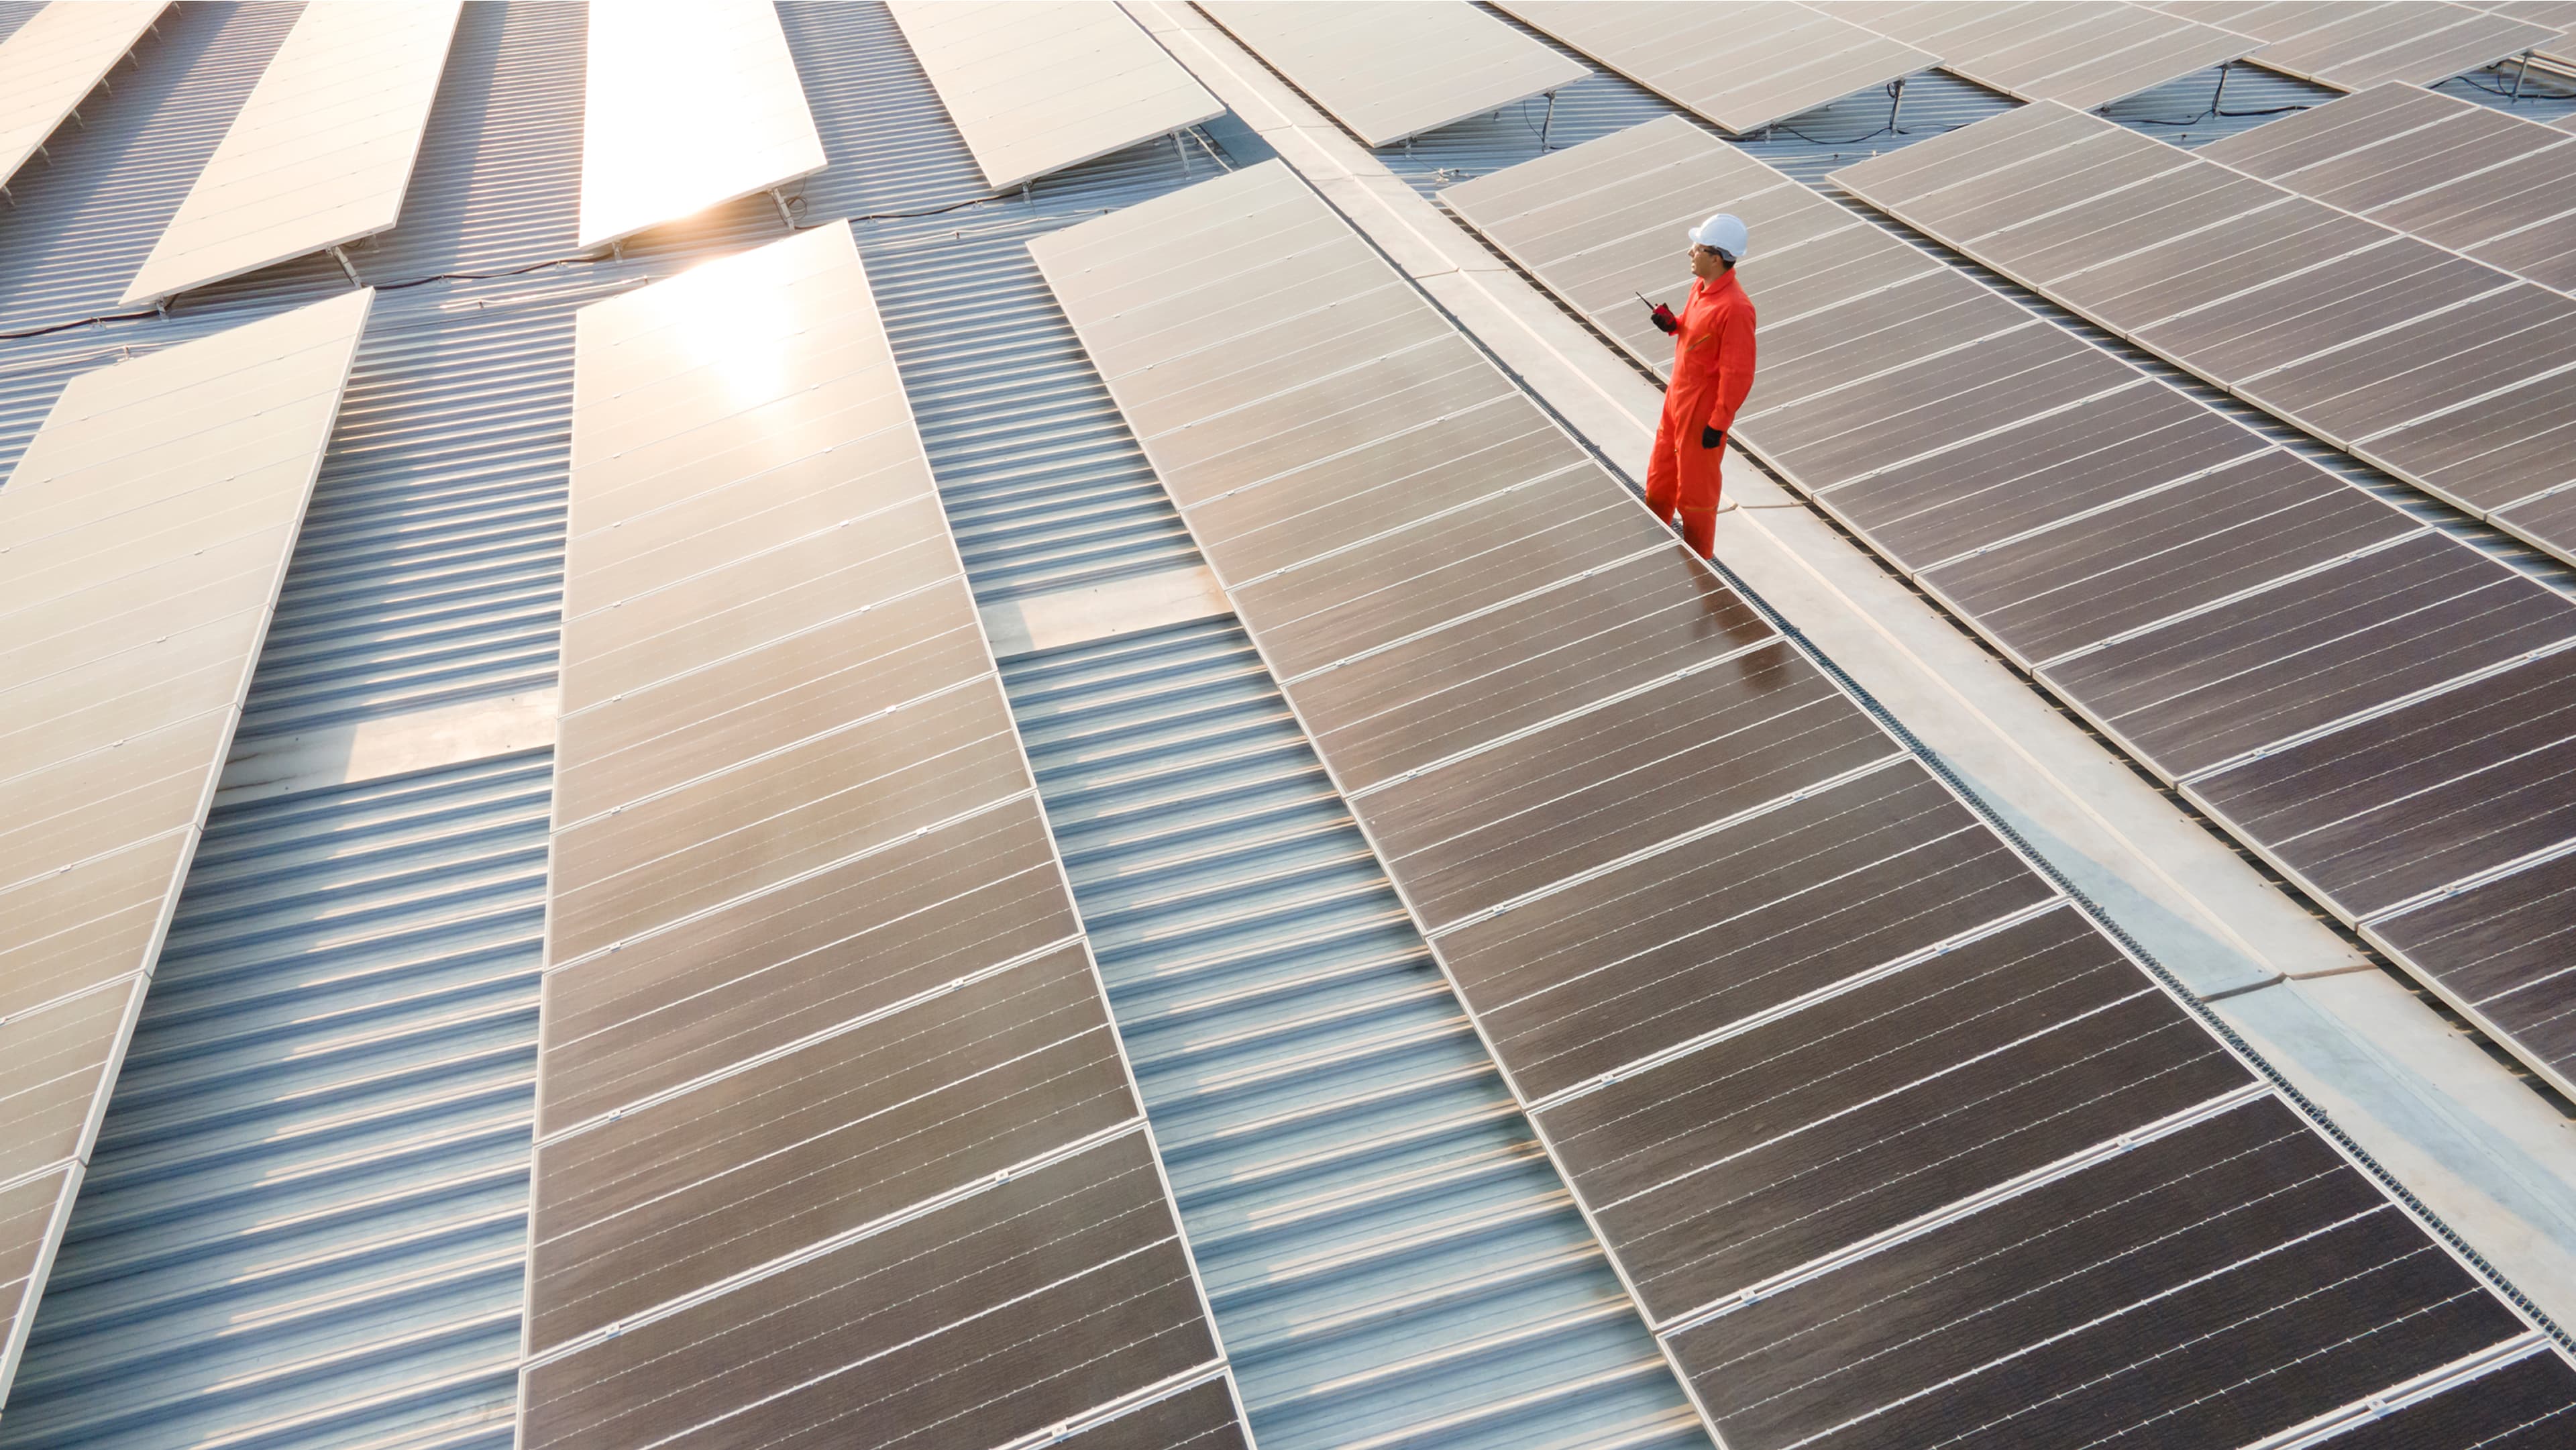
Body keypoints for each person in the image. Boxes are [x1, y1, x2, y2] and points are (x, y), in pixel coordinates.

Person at [1644, 213, 1754, 560]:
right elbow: (1696, 334)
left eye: (1698, 247)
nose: (1690, 252)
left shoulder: (1736, 308)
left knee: (1695, 497)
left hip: (1701, 414)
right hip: (1676, 401)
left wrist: (1718, 424)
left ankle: (1699, 570)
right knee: (1660, 482)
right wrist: (1672, 324)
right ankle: (1655, 554)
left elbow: (1738, 373)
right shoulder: (1700, 289)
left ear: (1716, 257)